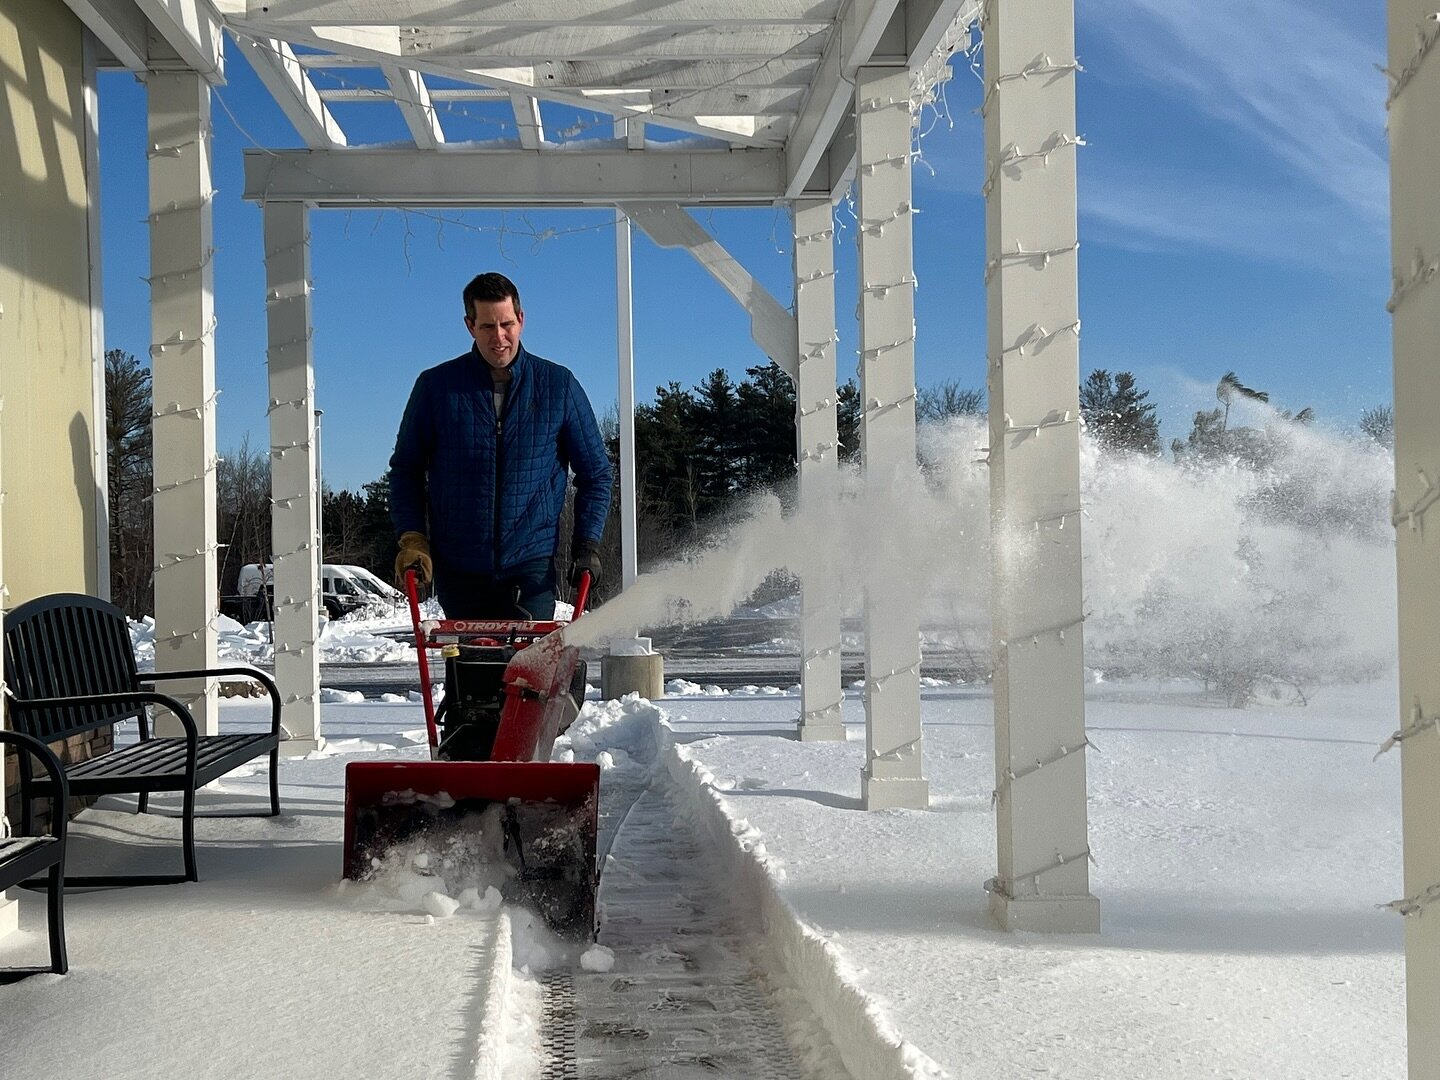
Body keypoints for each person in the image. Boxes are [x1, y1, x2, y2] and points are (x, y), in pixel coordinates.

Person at [388, 272, 613, 619]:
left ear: (521, 320)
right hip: (460, 571)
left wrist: (587, 544)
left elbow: (596, 473)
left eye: (507, 324)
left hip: (531, 569)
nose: (499, 338)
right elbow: (406, 471)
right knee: (468, 672)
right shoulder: (437, 388)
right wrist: (413, 538)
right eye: (487, 327)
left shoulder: (557, 386)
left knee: (531, 672)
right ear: (469, 325)